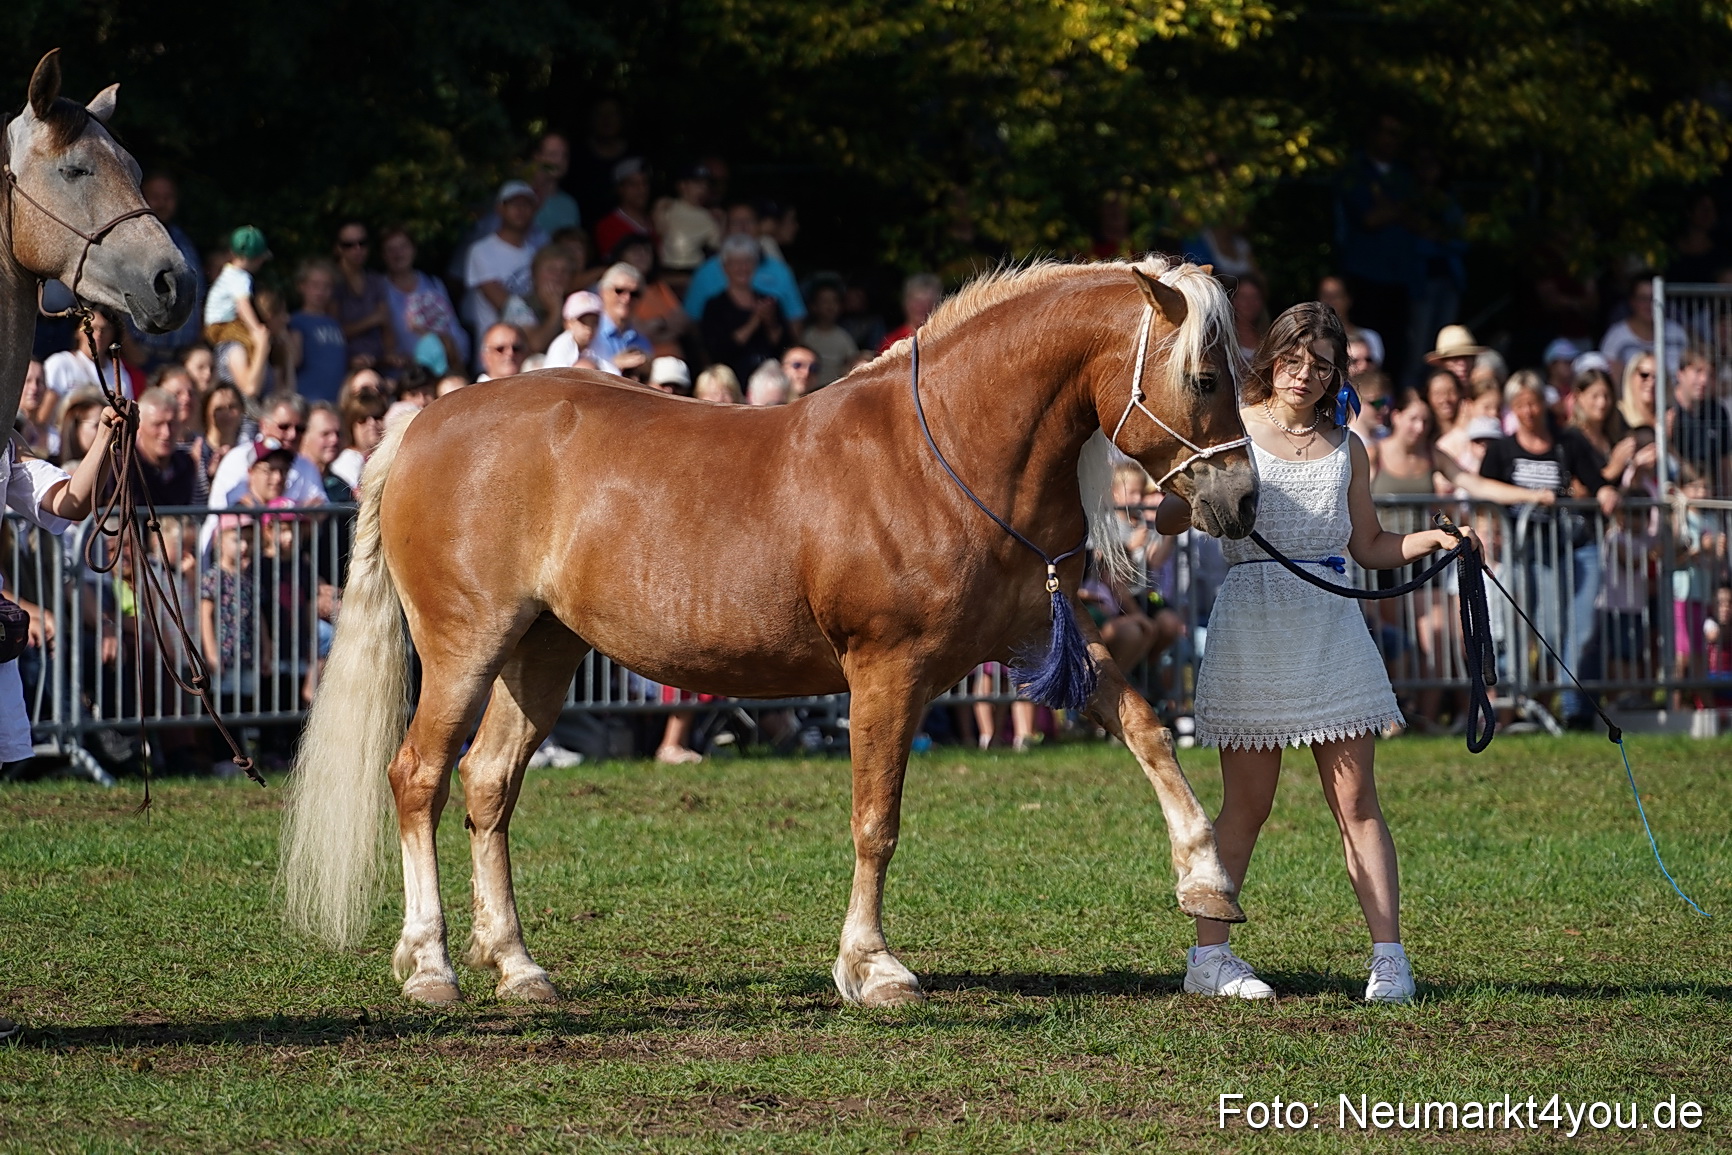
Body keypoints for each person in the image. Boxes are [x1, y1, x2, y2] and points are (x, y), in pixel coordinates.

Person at [1159, 301, 1480, 1004]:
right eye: (1294, 359)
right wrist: (1196, 489)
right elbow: (1166, 516)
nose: (1305, 374)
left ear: (1337, 374)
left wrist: (1430, 540)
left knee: (1357, 800)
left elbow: (1367, 545)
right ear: (1272, 359)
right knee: (1246, 804)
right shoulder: (1231, 431)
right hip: (1253, 622)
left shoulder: (1348, 446)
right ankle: (1209, 958)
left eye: (1322, 364)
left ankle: (1389, 958)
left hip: (1332, 626)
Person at [1478, 372, 1619, 728]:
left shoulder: (1566, 441)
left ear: (1544, 404)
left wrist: (1605, 491)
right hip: (1525, 552)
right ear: (1513, 408)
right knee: (1531, 630)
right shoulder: (1502, 449)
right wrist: (1489, 528)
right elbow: (1483, 491)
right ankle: (1523, 706)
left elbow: (1596, 478)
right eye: (1521, 404)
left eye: (1534, 402)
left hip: (1565, 548)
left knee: (1568, 630)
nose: (1529, 411)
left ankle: (1563, 707)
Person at [683, 203, 807, 327]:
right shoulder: (706, 271)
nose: (743, 228)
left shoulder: (780, 270)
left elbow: (795, 318)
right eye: (736, 223)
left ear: (759, 227)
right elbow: (691, 320)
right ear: (726, 229)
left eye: (749, 222)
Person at [127, 172, 205, 366]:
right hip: (143, 354)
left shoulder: (183, 241)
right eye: (156, 197)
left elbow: (199, 296)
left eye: (168, 197)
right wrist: (128, 346)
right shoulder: (130, 241)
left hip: (183, 357)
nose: (163, 203)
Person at [208, 393, 326, 511]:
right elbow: (236, 509)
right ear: (264, 426)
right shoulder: (239, 458)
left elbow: (321, 507)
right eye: (284, 426)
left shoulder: (306, 466)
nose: (292, 435)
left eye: (300, 429)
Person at [463, 181, 543, 356]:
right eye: (514, 204)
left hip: (528, 354)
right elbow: (506, 304)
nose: (521, 210)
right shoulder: (481, 251)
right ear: (500, 208)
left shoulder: (535, 252)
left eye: (527, 204)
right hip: (497, 353)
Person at [381, 227, 470, 374]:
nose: (398, 254)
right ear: (383, 255)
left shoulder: (434, 284)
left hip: (444, 370)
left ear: (413, 249)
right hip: (404, 375)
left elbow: (453, 327)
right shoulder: (380, 290)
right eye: (391, 249)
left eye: (403, 247)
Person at [701, 236, 786, 380]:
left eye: (748, 262)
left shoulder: (770, 301)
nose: (743, 268)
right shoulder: (714, 305)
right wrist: (754, 321)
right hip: (732, 382)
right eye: (736, 263)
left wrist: (770, 321)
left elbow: (783, 347)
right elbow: (719, 351)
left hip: (770, 380)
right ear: (725, 267)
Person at [613, 233, 691, 360]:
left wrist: (657, 327)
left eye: (646, 251)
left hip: (675, 359)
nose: (642, 255)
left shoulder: (659, 286)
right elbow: (636, 332)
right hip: (643, 362)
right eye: (635, 251)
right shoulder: (617, 291)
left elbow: (682, 322)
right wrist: (665, 322)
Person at [330, 222, 397, 370]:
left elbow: (386, 324)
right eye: (349, 245)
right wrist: (372, 320)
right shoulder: (331, 282)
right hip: (344, 364)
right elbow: (333, 332)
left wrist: (390, 354)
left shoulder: (376, 281)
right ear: (338, 248)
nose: (357, 249)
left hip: (379, 362)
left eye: (363, 243)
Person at [203, 226, 272, 363]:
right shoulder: (240, 277)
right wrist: (256, 329)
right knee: (253, 345)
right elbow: (243, 305)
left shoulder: (229, 272)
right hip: (221, 326)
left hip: (218, 325)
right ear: (257, 259)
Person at [1670, 348, 1732, 493]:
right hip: (1675, 496)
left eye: (1710, 375)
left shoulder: (1718, 412)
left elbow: (1724, 465)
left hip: (1708, 497)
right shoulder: (1667, 410)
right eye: (1698, 371)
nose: (1704, 380)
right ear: (1680, 373)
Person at [1600, 276, 1688, 379]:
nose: (1649, 304)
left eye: (1654, 299)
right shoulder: (1616, 337)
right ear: (1632, 302)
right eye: (1643, 299)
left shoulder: (1678, 334)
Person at [288, 259, 349, 404]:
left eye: (326, 286)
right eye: (315, 285)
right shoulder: (297, 321)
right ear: (301, 286)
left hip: (336, 399)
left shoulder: (334, 323)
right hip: (309, 399)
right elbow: (294, 360)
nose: (320, 291)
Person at [653, 163, 721, 285]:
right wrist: (658, 209)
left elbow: (716, 245)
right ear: (682, 186)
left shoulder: (708, 217)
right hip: (667, 268)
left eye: (705, 185)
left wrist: (722, 222)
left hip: (694, 270)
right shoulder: (667, 207)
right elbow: (660, 231)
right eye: (697, 184)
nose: (702, 189)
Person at [131, 388, 199, 507]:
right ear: (139, 426)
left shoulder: (184, 464)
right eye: (157, 424)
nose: (166, 433)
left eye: (172, 424)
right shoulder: (122, 464)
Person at [590, 263, 655, 372]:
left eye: (635, 294)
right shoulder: (589, 333)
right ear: (603, 292)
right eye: (619, 291)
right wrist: (614, 365)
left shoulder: (643, 342)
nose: (627, 299)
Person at [801, 276, 860, 389]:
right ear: (813, 306)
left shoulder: (843, 337)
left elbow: (853, 363)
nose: (830, 306)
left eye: (834, 301)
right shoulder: (807, 336)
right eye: (824, 301)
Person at [593, 157, 655, 263]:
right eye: (633, 184)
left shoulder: (655, 220)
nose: (642, 189)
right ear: (620, 189)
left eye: (645, 183)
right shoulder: (607, 225)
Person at [189, 382, 245, 492]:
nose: (227, 414)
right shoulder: (195, 451)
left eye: (232, 407)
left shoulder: (249, 450)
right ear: (206, 412)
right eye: (219, 409)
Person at [332, 392, 389, 493]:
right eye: (362, 419)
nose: (372, 423)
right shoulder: (346, 462)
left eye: (377, 417)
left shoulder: (390, 456)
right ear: (351, 426)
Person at [543, 291, 609, 371]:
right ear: (568, 323)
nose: (589, 327)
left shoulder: (600, 342)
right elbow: (554, 380)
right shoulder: (561, 346)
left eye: (594, 322)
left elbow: (612, 374)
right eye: (583, 322)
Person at [529, 133, 580, 234]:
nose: (559, 161)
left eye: (564, 156)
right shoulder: (519, 197)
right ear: (537, 157)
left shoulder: (570, 204)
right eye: (553, 154)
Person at [878, 273, 942, 352]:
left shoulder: (943, 338)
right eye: (917, 301)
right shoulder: (891, 342)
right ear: (906, 303)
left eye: (928, 302)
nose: (921, 307)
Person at [304, 402, 352, 502]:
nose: (334, 440)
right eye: (325, 434)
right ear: (305, 436)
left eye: (338, 434)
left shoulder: (342, 488)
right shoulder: (287, 481)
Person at [1617, 352, 1658, 433]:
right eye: (1644, 375)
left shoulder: (1670, 419)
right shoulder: (1617, 416)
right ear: (1631, 377)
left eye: (1657, 377)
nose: (1651, 382)